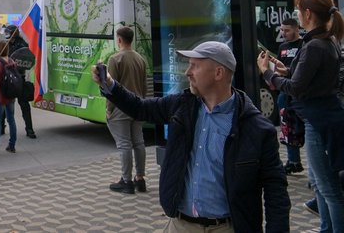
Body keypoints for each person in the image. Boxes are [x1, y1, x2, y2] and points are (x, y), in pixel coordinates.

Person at [94, 41, 289, 232]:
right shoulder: (182, 106)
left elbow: (276, 191)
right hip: (181, 225)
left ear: (218, 73)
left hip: (228, 227)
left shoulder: (255, 128)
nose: (187, 72)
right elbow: (140, 108)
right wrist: (110, 84)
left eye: (194, 66)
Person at [259, 0, 344, 232]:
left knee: (328, 189)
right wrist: (279, 68)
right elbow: (302, 76)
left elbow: (296, 87)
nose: (296, 14)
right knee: (320, 184)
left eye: (298, 10)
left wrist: (267, 72)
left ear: (307, 14)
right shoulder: (325, 40)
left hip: (318, 119)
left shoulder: (315, 45)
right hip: (322, 116)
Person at [104, 26, 147, 194]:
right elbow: (144, 86)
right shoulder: (140, 59)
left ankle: (126, 181)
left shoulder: (115, 59)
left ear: (119, 40)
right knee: (139, 142)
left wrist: (109, 109)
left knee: (124, 144)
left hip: (121, 107)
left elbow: (110, 87)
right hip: (137, 105)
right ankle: (140, 178)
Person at [276, 17, 304, 174]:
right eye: (282, 30)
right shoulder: (282, 47)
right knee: (287, 128)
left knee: (305, 127)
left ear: (296, 29)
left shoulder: (304, 45)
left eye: (287, 30)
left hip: (300, 93)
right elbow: (279, 66)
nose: (283, 33)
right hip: (284, 92)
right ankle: (293, 161)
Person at [5, 24, 36, 139]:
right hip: (9, 78)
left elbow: (29, 59)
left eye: (8, 32)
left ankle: (29, 129)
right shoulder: (6, 45)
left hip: (19, 77)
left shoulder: (23, 46)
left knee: (24, 105)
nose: (6, 35)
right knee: (5, 103)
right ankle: (2, 127)